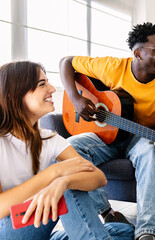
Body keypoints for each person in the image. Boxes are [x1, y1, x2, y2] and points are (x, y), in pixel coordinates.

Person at [59, 22, 155, 240]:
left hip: (139, 139)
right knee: (66, 149)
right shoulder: (112, 67)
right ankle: (108, 212)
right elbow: (66, 61)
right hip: (103, 137)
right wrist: (75, 98)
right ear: (138, 53)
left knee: (153, 152)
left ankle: (147, 232)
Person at [0, 61, 134, 240]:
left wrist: (63, 181)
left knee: (123, 231)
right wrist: (55, 173)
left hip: (41, 229)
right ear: (12, 95)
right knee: (65, 180)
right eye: (42, 84)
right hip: (9, 230)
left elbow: (98, 178)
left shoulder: (49, 138)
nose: (52, 89)